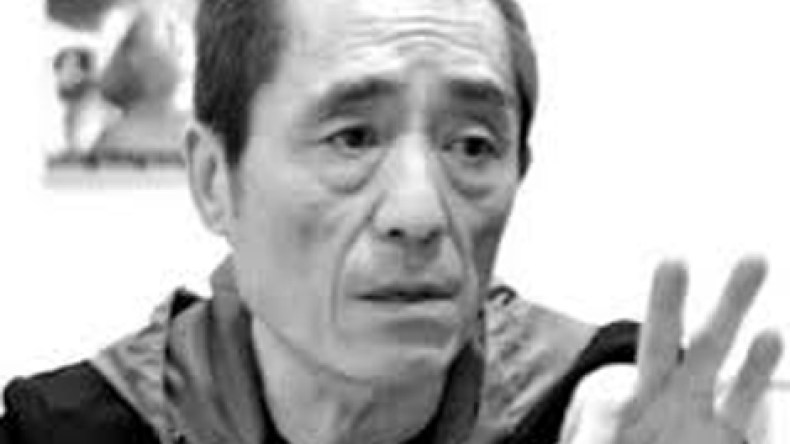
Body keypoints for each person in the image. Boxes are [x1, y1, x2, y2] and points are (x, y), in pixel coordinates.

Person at [2, 0, 783, 443]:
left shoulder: (612, 415)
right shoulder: (73, 432)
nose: (419, 213)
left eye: (472, 146)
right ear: (215, 181)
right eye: (352, 138)